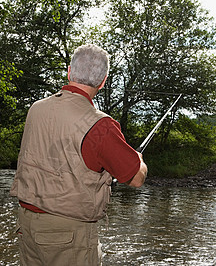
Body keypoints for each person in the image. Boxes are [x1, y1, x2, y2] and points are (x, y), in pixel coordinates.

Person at [10, 44, 148, 266]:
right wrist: (138, 160)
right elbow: (136, 178)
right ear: (103, 81)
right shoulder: (100, 125)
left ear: (69, 71)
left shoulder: (36, 108)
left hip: (27, 224)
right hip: (68, 234)